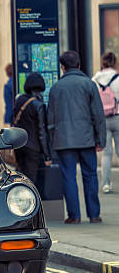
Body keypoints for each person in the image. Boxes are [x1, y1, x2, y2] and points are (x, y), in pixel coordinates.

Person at [47, 50, 106, 224]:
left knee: (68, 177)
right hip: (87, 139)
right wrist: (100, 139)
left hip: (64, 141)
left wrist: (52, 141)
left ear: (63, 68)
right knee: (90, 176)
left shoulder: (56, 88)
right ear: (79, 65)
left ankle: (74, 216)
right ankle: (94, 214)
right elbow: (98, 115)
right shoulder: (89, 84)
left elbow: (50, 119)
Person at [12, 73, 52, 183]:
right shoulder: (38, 105)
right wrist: (47, 155)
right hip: (33, 148)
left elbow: (14, 120)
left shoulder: (19, 100)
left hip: (19, 146)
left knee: (21, 176)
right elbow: (41, 132)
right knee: (31, 180)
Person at [92, 51, 119, 193]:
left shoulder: (95, 79)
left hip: (102, 119)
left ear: (102, 63)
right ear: (115, 62)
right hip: (117, 116)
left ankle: (106, 184)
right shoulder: (118, 78)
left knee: (106, 153)